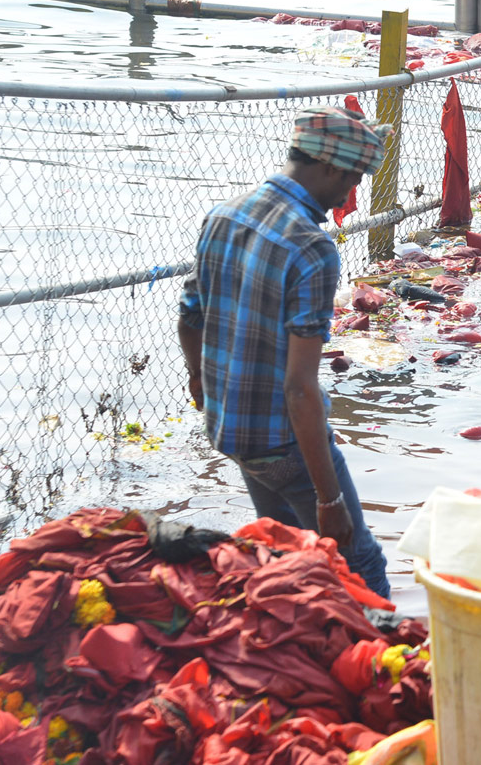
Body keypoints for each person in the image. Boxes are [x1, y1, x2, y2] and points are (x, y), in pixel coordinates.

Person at [178, 106, 391, 598]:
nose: (349, 194)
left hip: (229, 428)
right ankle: (387, 664)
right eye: (353, 178)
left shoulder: (225, 214)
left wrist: (198, 379)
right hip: (281, 440)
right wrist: (329, 498)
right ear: (332, 168)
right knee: (355, 561)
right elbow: (298, 389)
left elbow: (190, 316)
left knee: (279, 554)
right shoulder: (311, 248)